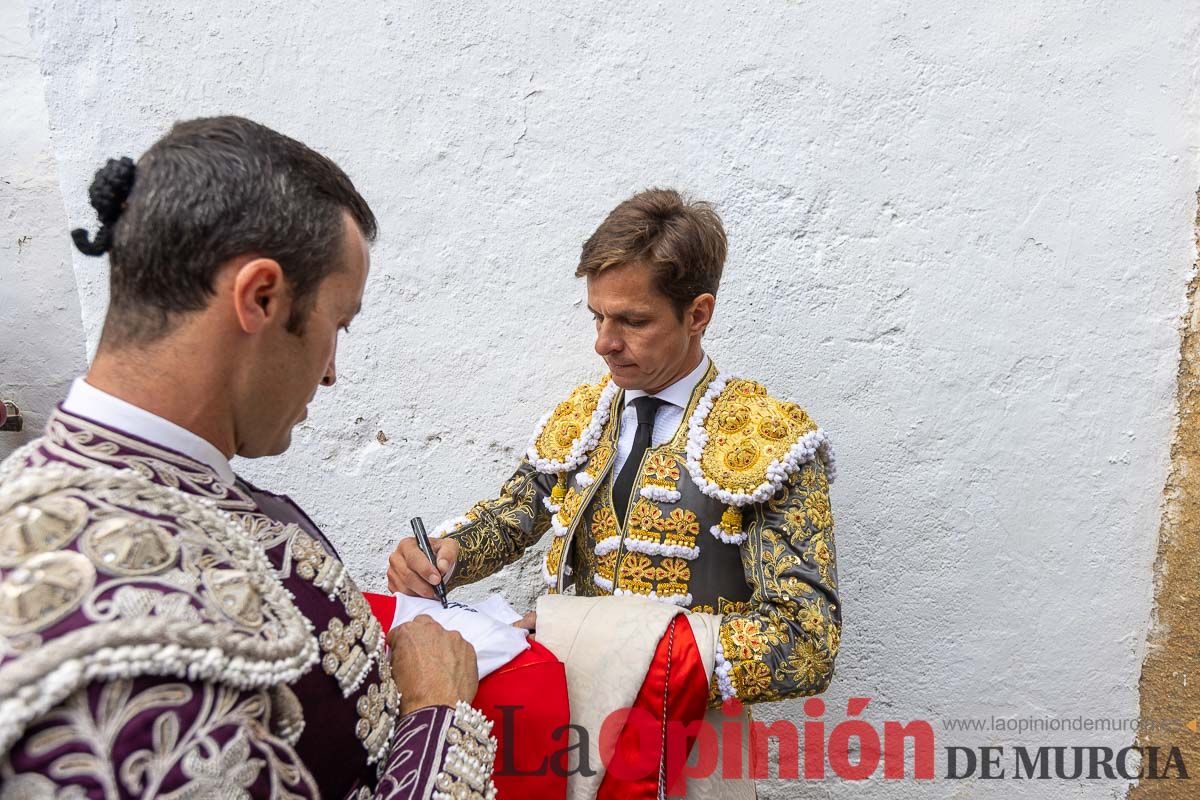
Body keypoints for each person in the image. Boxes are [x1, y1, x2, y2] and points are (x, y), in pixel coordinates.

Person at [0, 116, 496, 799]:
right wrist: (437, 713)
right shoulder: (117, 651)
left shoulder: (155, 491)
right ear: (261, 297)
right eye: (337, 326)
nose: (330, 375)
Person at [388, 188, 841, 713]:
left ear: (697, 315)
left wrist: (583, 637)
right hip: (570, 722)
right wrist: (448, 554)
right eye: (597, 317)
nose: (604, 342)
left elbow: (806, 644)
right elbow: (516, 514)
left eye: (633, 321)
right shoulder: (583, 416)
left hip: (691, 740)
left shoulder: (770, 440)